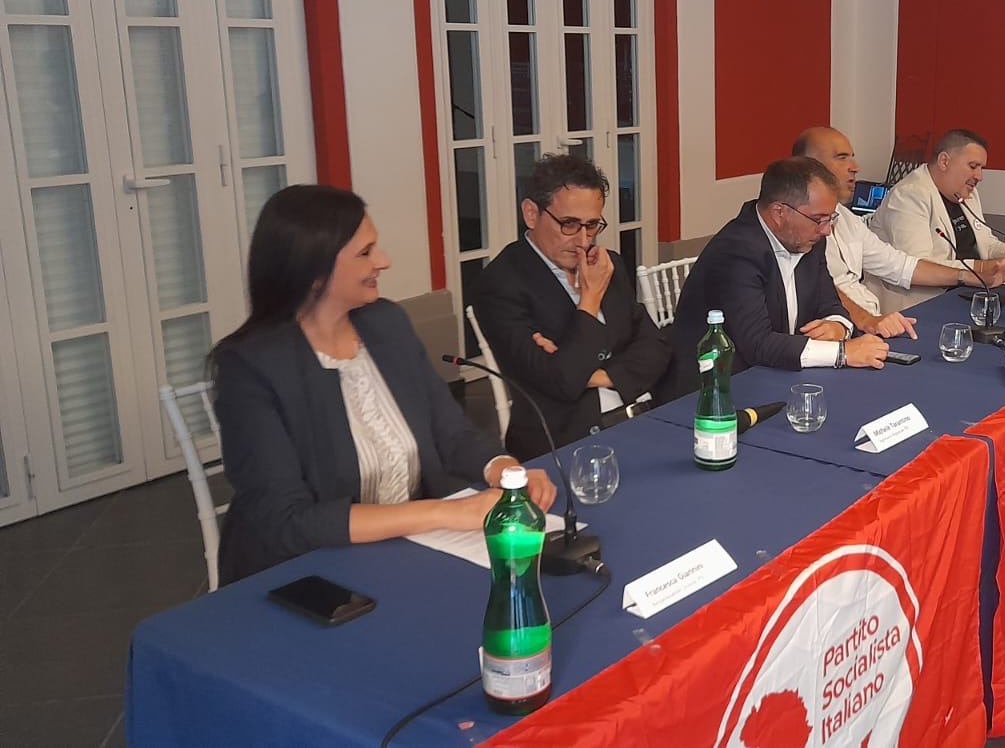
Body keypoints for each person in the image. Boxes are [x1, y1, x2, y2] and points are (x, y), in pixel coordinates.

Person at [210, 185, 556, 584]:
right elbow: (285, 521)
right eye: (365, 253)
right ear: (313, 271)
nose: (384, 261)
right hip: (302, 577)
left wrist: (505, 471)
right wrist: (446, 512)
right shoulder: (249, 367)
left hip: (404, 554)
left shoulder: (386, 323)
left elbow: (450, 433)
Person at [470, 155, 672, 458]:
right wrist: (589, 301)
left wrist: (596, 375)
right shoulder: (500, 284)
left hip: (642, 419)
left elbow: (656, 347)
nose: (582, 240)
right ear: (531, 214)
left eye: (592, 225)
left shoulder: (608, 263)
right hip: (564, 445)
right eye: (569, 224)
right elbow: (562, 382)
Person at [793, 126, 1005, 337]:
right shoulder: (910, 194)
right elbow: (820, 284)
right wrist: (978, 270)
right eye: (841, 157)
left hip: (872, 323)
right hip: (862, 323)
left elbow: (900, 265)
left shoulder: (846, 218)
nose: (855, 167)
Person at [671, 157, 888, 382]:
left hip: (778, 372)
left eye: (830, 218)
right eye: (819, 219)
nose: (827, 231)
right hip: (717, 384)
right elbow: (757, 344)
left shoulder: (808, 239)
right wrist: (842, 353)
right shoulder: (736, 252)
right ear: (779, 212)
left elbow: (830, 303)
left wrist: (838, 327)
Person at [867, 128, 1005, 314]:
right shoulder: (909, 195)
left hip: (967, 292)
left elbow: (986, 244)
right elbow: (918, 266)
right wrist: (980, 268)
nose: (979, 177)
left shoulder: (968, 193)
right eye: (973, 166)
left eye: (981, 168)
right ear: (944, 161)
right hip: (919, 306)